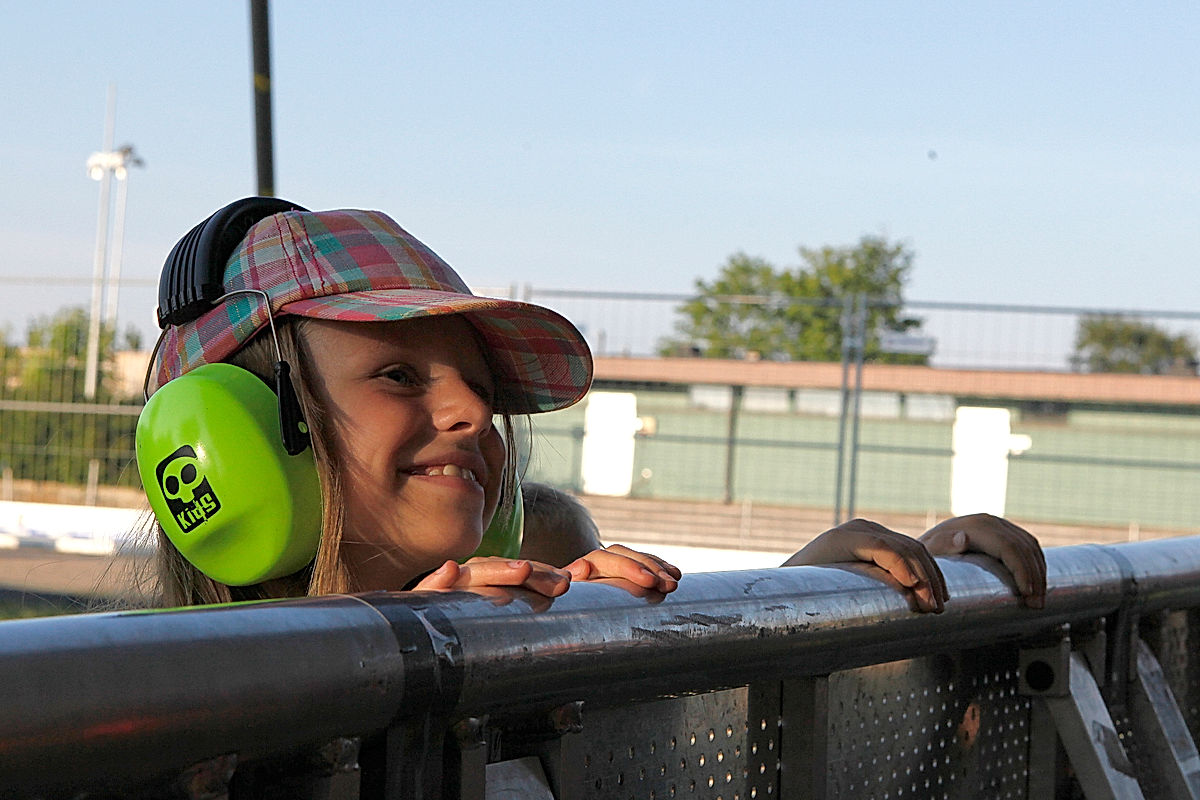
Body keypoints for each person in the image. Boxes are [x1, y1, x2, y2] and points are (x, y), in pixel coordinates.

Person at [140, 199, 1043, 611]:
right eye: (400, 376)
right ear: (228, 441)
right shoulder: (140, 716)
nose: (471, 414)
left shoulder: (529, 599)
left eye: (483, 389)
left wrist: (801, 596)